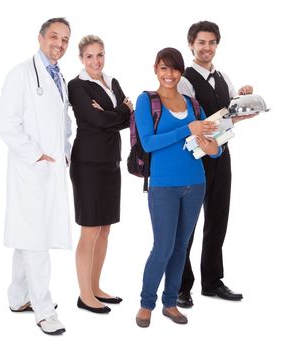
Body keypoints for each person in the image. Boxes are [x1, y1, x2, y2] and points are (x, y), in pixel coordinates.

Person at [0, 18, 72, 335]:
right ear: (40, 38)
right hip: (31, 170)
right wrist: (35, 155)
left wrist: (64, 150)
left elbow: (61, 120)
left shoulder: (58, 76)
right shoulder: (21, 74)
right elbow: (4, 122)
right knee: (35, 239)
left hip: (51, 169)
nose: (60, 43)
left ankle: (17, 297)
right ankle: (43, 309)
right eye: (54, 36)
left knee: (27, 237)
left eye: (66, 39)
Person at [135, 47, 222, 328]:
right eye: (163, 68)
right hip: (163, 186)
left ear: (180, 72)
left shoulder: (193, 105)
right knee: (162, 247)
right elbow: (148, 143)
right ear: (155, 69)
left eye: (174, 69)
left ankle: (170, 303)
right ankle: (146, 304)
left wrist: (213, 148)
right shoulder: (147, 101)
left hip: (195, 183)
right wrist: (188, 129)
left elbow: (214, 143)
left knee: (181, 247)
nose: (168, 74)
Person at [177, 20, 255, 308]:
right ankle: (181, 286)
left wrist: (243, 106)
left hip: (222, 156)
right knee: (186, 225)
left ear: (216, 46)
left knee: (218, 220)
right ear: (191, 45)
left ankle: (212, 282)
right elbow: (190, 123)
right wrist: (224, 119)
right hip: (194, 159)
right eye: (201, 43)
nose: (206, 48)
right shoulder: (184, 80)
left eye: (211, 43)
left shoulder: (223, 77)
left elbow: (228, 115)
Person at [67, 35, 133, 314]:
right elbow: (97, 120)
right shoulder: (76, 86)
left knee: (105, 228)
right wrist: (119, 110)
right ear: (81, 59)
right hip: (88, 164)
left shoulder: (112, 81)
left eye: (100, 55)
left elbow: (125, 118)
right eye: (90, 56)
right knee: (90, 229)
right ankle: (84, 295)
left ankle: (95, 288)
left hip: (110, 162)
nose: (96, 61)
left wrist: (115, 113)